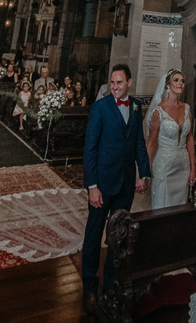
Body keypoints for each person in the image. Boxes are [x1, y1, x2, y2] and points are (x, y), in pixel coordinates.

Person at [81, 64, 151, 305]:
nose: (115, 87)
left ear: (129, 83)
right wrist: (92, 186)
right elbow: (90, 149)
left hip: (125, 185)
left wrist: (143, 173)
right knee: (94, 235)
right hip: (101, 185)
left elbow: (139, 143)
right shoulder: (100, 108)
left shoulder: (135, 106)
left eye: (119, 82)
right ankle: (89, 288)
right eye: (112, 82)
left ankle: (110, 285)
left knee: (117, 238)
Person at [146, 69, 196, 208]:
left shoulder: (186, 108)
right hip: (164, 166)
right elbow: (152, 143)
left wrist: (193, 168)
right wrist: (145, 171)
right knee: (161, 207)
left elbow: (190, 138)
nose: (180, 83)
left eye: (182, 81)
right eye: (176, 80)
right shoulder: (159, 111)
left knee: (179, 209)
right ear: (167, 85)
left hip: (183, 166)